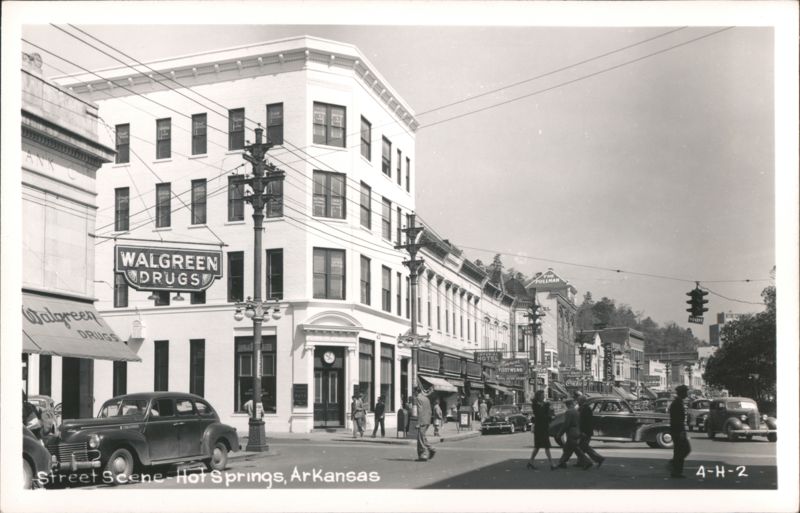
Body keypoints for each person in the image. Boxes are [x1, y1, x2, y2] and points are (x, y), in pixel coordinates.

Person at [556, 399, 592, 470]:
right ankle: (562, 462)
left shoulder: (569, 412)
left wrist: (559, 433)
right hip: (577, 432)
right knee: (568, 448)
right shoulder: (577, 411)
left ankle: (587, 462)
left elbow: (566, 424)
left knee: (575, 450)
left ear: (567, 405)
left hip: (571, 433)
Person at [527, 389, 556, 470]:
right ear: (539, 396)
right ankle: (551, 464)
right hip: (540, 428)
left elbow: (549, 413)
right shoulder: (535, 405)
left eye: (544, 395)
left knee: (538, 446)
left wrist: (550, 414)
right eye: (543, 395)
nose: (544, 397)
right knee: (543, 445)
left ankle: (531, 462)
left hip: (544, 427)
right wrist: (549, 416)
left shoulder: (545, 404)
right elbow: (540, 415)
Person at [575, 392, 605, 467]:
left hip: (585, 431)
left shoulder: (585, 409)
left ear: (582, 401)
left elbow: (585, 422)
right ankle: (581, 462)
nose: (577, 402)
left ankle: (598, 458)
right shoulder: (585, 408)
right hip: (585, 431)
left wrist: (583, 432)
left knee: (582, 447)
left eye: (578, 400)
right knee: (582, 447)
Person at [669, 385, 692, 478]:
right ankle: (676, 470)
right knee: (683, 450)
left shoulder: (678, 402)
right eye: (685, 392)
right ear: (681, 393)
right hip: (678, 430)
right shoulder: (677, 403)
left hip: (677, 430)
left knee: (679, 451)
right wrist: (681, 431)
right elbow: (677, 419)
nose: (686, 394)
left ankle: (676, 469)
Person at [415, 387, 436, 461]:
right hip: (427, 420)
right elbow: (430, 410)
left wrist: (419, 422)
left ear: (416, 392)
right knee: (422, 437)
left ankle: (423, 454)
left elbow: (420, 410)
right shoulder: (426, 398)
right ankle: (431, 449)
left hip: (422, 420)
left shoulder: (418, 398)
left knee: (420, 438)